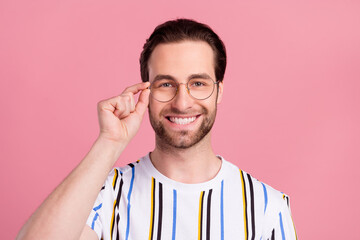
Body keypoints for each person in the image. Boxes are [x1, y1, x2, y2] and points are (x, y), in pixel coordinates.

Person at [17, 19, 297, 240]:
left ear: (219, 91)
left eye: (198, 83)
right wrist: (109, 142)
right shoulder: (106, 193)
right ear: (145, 92)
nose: (182, 101)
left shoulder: (266, 207)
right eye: (166, 84)